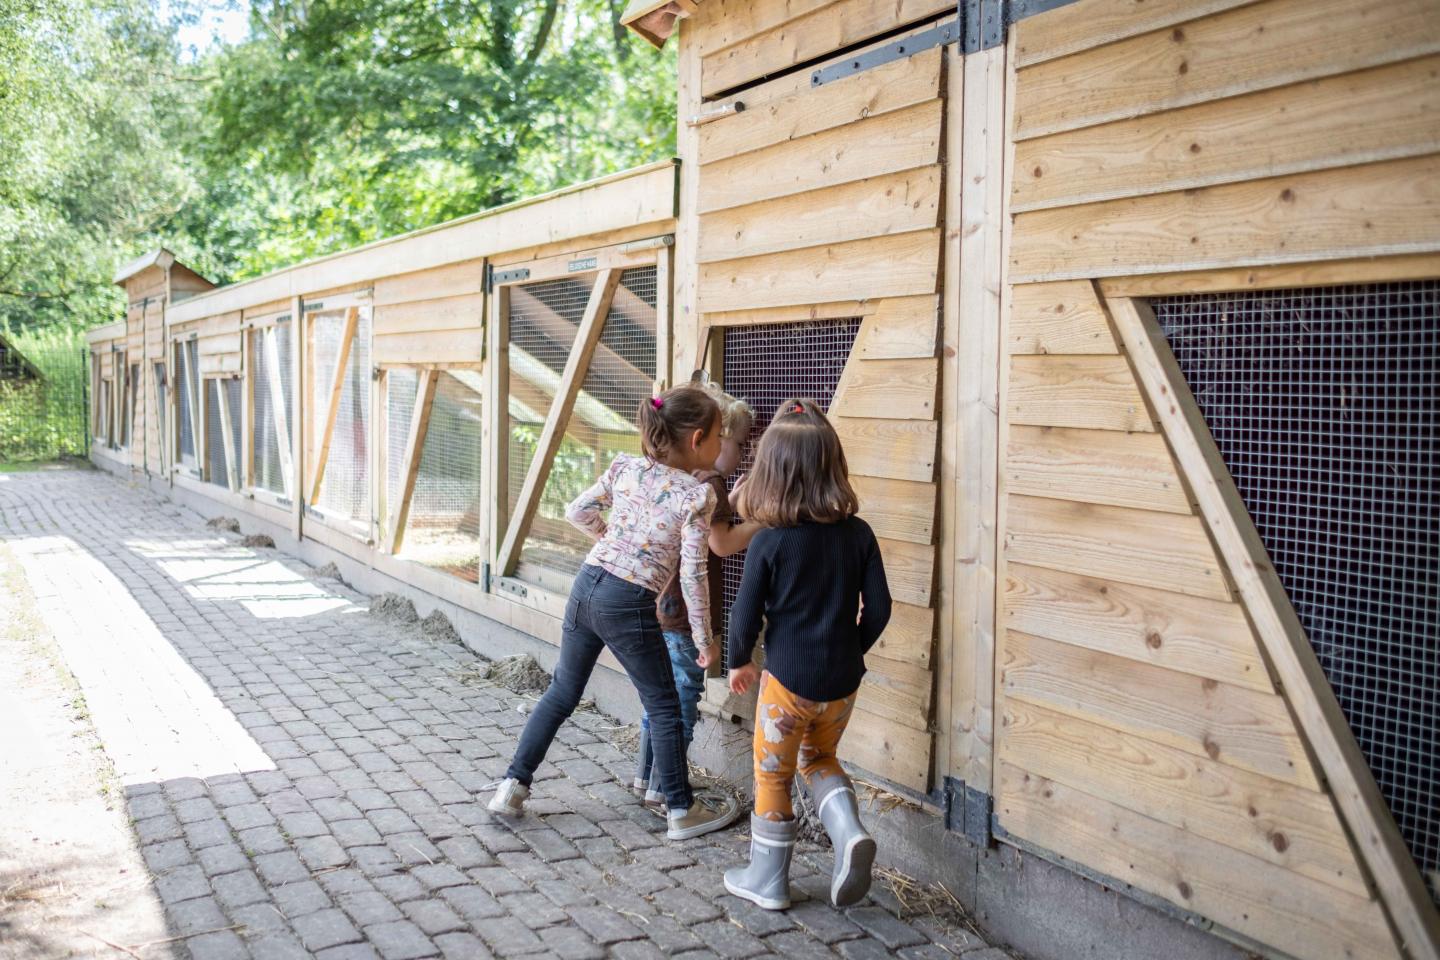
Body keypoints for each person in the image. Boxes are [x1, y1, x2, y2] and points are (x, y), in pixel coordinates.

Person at [488, 384, 742, 841]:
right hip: (628, 601)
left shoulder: (625, 467)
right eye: (721, 434)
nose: (724, 443)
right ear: (698, 438)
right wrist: (705, 640)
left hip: (586, 585)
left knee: (562, 692)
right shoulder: (696, 496)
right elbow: (692, 575)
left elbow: (576, 510)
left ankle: (512, 787)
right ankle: (682, 811)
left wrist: (613, 541)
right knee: (664, 706)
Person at [722, 398, 892, 910]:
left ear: (769, 472)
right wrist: (849, 651)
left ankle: (768, 881)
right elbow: (880, 608)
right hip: (842, 686)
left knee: (773, 774)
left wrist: (739, 661)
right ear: (833, 465)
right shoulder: (859, 534)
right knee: (820, 758)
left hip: (787, 684)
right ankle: (849, 832)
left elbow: (743, 614)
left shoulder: (770, 543)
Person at [634, 381, 761, 813]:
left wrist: (736, 500)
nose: (741, 453)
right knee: (685, 694)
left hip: (658, 604)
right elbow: (721, 543)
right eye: (738, 442)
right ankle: (667, 787)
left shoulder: (673, 473)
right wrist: (765, 521)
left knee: (658, 697)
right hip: (690, 613)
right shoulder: (711, 481)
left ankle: (645, 777)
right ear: (709, 438)